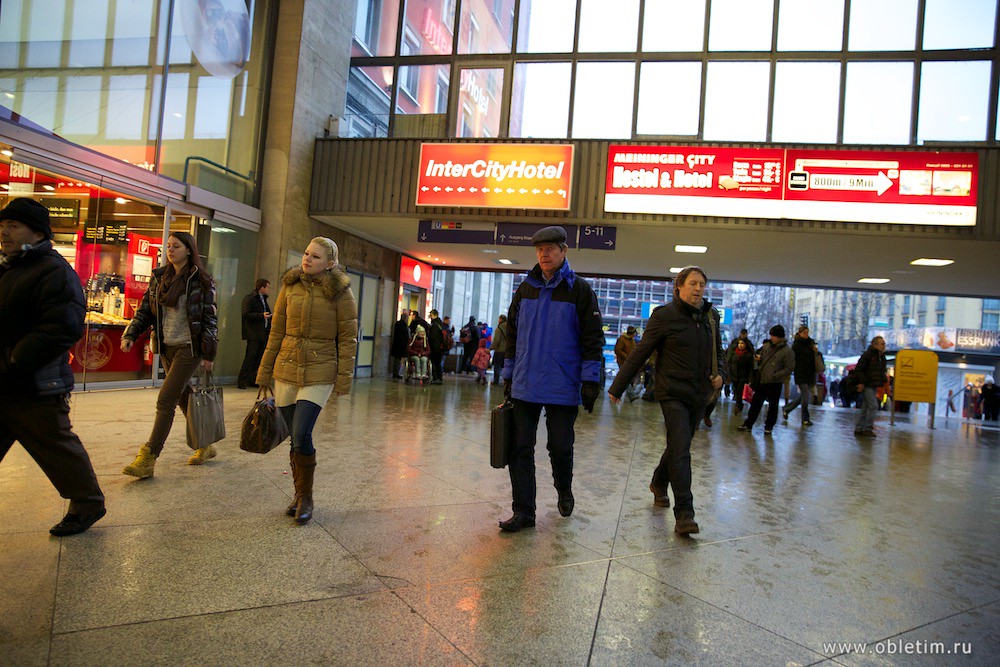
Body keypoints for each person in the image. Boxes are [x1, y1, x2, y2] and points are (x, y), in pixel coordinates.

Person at [0, 198, 106, 536]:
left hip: (34, 382)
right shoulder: (8, 267)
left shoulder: (54, 271)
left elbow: (63, 326)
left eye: (13, 226)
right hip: (4, 381)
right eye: (2, 225)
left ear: (36, 232)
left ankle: (88, 503)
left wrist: (17, 360)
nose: (4, 232)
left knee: (56, 445)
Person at [499, 225, 604, 532]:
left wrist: (589, 381)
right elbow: (513, 335)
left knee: (559, 446)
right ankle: (524, 511)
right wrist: (508, 375)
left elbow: (592, 339)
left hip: (563, 384)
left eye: (550, 249)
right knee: (520, 448)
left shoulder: (580, 291)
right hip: (525, 384)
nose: (544, 254)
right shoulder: (526, 288)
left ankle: (564, 488)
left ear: (563, 251)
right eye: (539, 250)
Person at [609, 266, 724, 535]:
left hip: (699, 394)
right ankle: (685, 513)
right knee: (682, 449)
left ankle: (659, 482)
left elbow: (719, 352)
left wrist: (723, 376)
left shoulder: (711, 316)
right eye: (693, 283)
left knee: (678, 444)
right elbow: (640, 352)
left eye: (702, 285)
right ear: (679, 287)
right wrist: (618, 386)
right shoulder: (664, 316)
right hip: (671, 392)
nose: (698, 289)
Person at [256, 237, 357, 524]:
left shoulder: (341, 293)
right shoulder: (290, 286)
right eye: (306, 254)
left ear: (330, 263)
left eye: (315, 256)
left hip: (320, 368)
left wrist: (343, 379)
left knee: (302, 434)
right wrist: (264, 372)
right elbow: (276, 331)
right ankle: (299, 494)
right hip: (286, 367)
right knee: (293, 436)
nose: (307, 259)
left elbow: (349, 338)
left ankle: (307, 498)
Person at [121, 231, 218, 477]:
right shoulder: (159, 278)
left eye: (176, 246)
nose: (170, 250)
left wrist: (209, 353)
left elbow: (209, 319)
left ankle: (148, 457)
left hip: (189, 347)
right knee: (183, 397)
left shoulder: (201, 280)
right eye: (168, 246)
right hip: (166, 346)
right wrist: (131, 335)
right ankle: (205, 445)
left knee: (166, 400)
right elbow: (146, 311)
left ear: (188, 250)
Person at [737, 325, 794, 435]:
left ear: (780, 337)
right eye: (771, 335)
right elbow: (762, 357)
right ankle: (748, 423)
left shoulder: (787, 351)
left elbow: (789, 367)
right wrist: (759, 359)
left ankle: (769, 427)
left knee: (773, 406)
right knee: (756, 403)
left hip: (775, 382)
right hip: (762, 380)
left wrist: (776, 375)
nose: (772, 337)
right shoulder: (767, 346)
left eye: (774, 336)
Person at [237, 278, 271, 389]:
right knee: (250, 357)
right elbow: (246, 314)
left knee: (258, 358)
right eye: (267, 287)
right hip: (253, 333)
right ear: (262, 287)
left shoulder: (263, 300)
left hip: (263, 333)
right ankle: (242, 380)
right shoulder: (250, 299)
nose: (268, 290)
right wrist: (261, 316)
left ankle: (251, 379)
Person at [782, 325, 818, 426]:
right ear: (800, 333)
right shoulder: (797, 345)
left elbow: (814, 358)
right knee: (806, 396)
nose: (806, 334)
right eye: (804, 332)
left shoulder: (811, 343)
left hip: (810, 373)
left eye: (807, 332)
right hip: (801, 373)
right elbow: (793, 359)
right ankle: (805, 418)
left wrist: (816, 352)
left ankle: (787, 409)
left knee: (804, 396)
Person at [853, 336, 887, 438]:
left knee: (866, 407)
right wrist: (863, 381)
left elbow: (880, 371)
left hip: (873, 384)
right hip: (868, 384)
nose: (884, 346)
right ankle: (867, 428)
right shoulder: (868, 355)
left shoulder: (881, 357)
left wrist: (882, 381)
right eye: (882, 344)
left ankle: (859, 428)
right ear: (875, 345)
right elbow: (859, 369)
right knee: (874, 406)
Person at [614, 325, 640, 402]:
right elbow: (617, 350)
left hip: (629, 362)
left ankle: (614, 392)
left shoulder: (632, 340)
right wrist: (627, 357)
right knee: (625, 378)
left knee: (623, 378)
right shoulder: (622, 339)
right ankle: (632, 394)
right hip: (623, 362)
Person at [729, 338, 754, 414]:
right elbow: (731, 363)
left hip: (743, 377)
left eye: (742, 343)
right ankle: (739, 405)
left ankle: (738, 406)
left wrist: (750, 379)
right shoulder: (734, 353)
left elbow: (750, 368)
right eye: (739, 343)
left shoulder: (748, 355)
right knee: (736, 391)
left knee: (739, 392)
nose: (740, 345)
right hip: (734, 376)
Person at [390, 310, 410, 379]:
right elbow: (403, 335)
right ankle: (396, 373)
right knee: (397, 360)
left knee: (397, 359)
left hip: (399, 345)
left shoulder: (398, 324)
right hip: (400, 345)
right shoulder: (402, 325)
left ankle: (396, 372)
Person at [427, 309, 445, 384]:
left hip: (434, 347)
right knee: (438, 363)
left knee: (434, 362)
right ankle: (440, 378)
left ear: (435, 315)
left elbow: (433, 337)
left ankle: (435, 378)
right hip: (440, 347)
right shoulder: (440, 324)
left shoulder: (434, 325)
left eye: (431, 315)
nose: (430, 317)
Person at [489, 314, 508, 385]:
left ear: (500, 319)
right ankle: (506, 382)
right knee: (506, 366)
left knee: (497, 366)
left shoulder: (499, 329)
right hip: (507, 351)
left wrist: (490, 348)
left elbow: (496, 340)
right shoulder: (509, 328)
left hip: (499, 350)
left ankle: (496, 381)